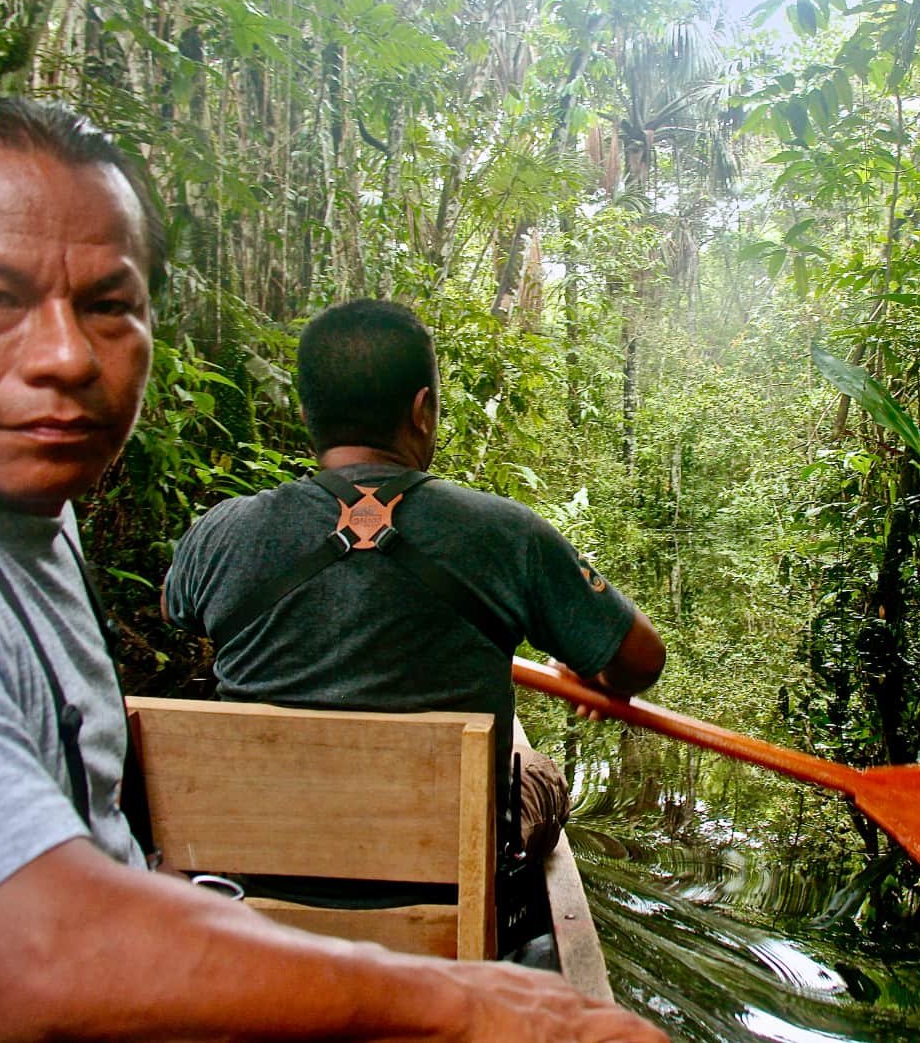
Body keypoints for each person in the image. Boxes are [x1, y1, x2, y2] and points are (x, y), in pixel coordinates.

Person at [0, 96, 665, 1043]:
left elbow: (182, 608)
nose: (64, 357)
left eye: (109, 305)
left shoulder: (91, 512)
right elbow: (46, 950)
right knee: (538, 776)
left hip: (221, 890)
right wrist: (469, 1000)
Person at [163, 298, 665, 866]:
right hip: (447, 880)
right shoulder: (506, 534)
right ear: (422, 411)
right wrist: (599, 669)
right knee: (541, 774)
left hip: (258, 882)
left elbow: (174, 606)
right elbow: (642, 660)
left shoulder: (216, 535)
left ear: (307, 416)